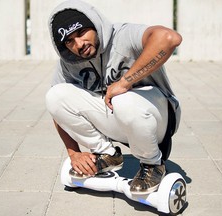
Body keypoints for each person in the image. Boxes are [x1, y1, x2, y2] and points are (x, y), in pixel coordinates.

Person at [46, 0, 182, 194]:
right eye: (69, 41)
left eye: (81, 33)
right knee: (54, 95)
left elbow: (169, 38)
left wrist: (125, 82)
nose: (78, 44)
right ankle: (108, 155)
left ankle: (153, 164)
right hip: (118, 117)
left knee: (122, 99)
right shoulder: (69, 62)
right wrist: (74, 153)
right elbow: (57, 111)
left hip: (157, 117)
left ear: (94, 25)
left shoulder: (122, 36)